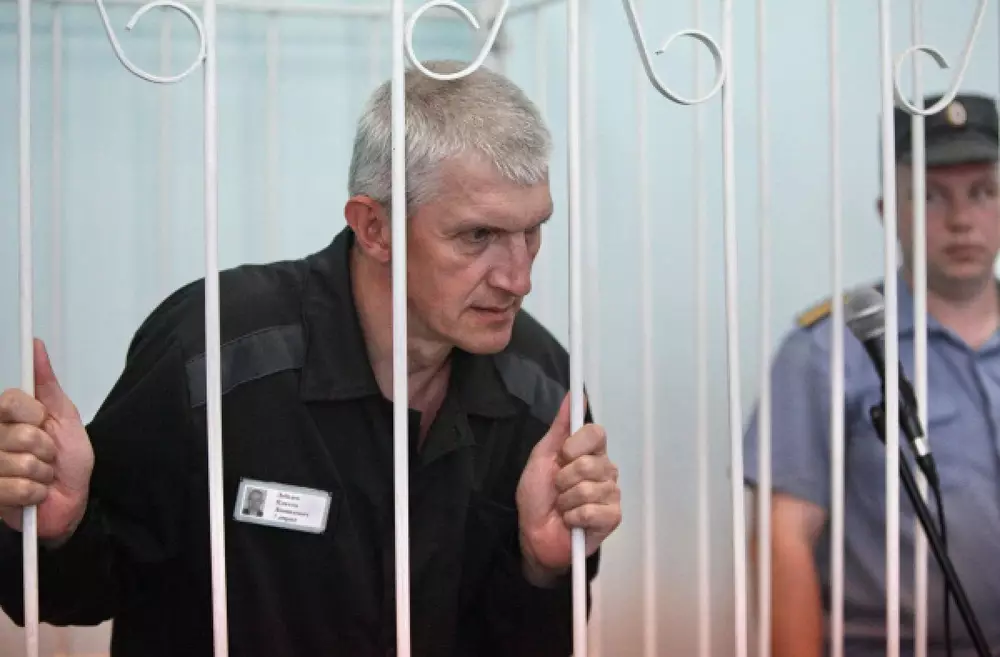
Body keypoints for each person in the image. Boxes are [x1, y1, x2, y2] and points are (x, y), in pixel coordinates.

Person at [0, 60, 622, 657]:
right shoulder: (213, 353)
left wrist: (543, 569)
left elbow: (527, 645)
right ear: (374, 227)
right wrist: (55, 530)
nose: (519, 278)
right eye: (477, 236)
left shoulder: (544, 392)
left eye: (531, 231)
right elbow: (76, 596)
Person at [744, 91, 1000, 657]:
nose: (961, 220)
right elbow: (785, 539)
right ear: (890, 212)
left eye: (983, 192)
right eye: (929, 195)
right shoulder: (830, 349)